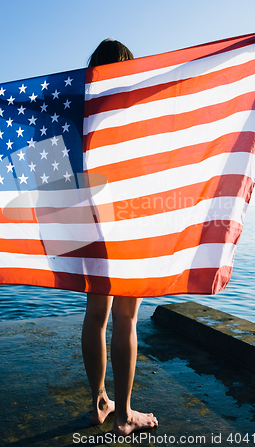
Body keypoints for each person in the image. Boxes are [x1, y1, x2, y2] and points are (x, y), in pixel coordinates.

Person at [81, 39, 159, 436]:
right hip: (129, 217)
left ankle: (99, 403)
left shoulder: (83, 108)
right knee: (126, 317)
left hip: (91, 215)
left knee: (96, 314)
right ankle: (125, 413)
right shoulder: (137, 109)